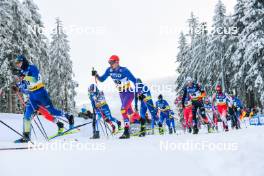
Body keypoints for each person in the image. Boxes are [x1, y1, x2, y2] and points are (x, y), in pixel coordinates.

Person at [14, 55, 74, 143]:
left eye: (19, 63)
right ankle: (26, 137)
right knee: (27, 115)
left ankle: (68, 116)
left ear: (24, 61)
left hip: (40, 93)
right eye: (17, 64)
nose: (18, 65)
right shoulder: (22, 72)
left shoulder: (32, 68)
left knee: (51, 111)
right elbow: (25, 85)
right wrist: (18, 87)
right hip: (32, 96)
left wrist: (24, 77)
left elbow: (34, 79)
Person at [92, 55, 137, 139]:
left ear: (117, 62)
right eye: (109, 62)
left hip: (129, 93)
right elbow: (102, 79)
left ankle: (126, 132)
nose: (110, 64)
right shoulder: (109, 70)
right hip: (121, 94)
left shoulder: (124, 70)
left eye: (112, 62)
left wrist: (139, 91)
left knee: (123, 110)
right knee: (130, 112)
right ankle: (140, 123)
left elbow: (135, 81)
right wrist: (96, 75)